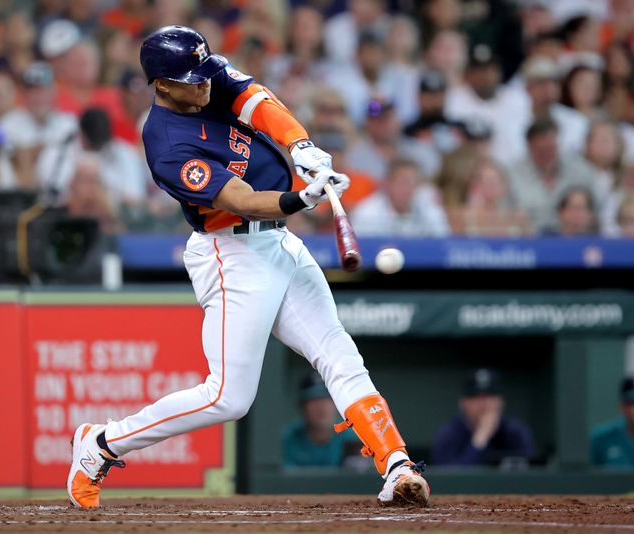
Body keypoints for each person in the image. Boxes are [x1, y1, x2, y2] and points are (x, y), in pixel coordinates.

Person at [66, 26, 429, 510]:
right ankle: (102, 444)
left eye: (203, 73)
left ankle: (395, 463)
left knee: (338, 353)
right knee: (228, 398)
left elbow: (257, 100)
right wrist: (302, 197)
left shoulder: (205, 73)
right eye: (191, 81)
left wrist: (301, 147)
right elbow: (240, 201)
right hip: (231, 253)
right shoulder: (165, 143)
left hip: (279, 242)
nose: (204, 85)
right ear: (162, 85)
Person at [432, 368, 535, 467]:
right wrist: (480, 438)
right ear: (463, 404)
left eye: (489, 396)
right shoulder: (449, 434)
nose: (483, 404)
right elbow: (452, 481)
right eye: (476, 397)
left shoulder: (515, 433)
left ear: (501, 401)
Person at [351, 158, 450, 237]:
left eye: (413, 183)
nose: (408, 189)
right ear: (387, 184)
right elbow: (359, 251)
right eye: (403, 183)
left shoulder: (429, 209)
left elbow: (442, 243)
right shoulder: (366, 213)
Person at [282, 372, 358, 468]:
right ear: (302, 406)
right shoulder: (288, 439)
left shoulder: (355, 438)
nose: (321, 407)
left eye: (327, 398)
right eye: (314, 400)